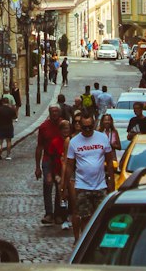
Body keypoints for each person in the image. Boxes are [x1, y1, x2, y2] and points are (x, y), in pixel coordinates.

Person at [65, 110, 116, 241]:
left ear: (94, 124)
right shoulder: (74, 142)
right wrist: (66, 185)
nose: (87, 130)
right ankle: (84, 240)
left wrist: (111, 180)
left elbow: (109, 160)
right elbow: (69, 165)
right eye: (84, 127)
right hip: (82, 186)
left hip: (100, 185)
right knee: (84, 216)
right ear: (79, 126)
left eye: (90, 127)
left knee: (102, 216)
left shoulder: (102, 138)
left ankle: (98, 240)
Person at [35, 103, 63, 225]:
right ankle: (49, 213)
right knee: (48, 183)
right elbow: (39, 147)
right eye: (52, 111)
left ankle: (58, 213)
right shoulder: (43, 127)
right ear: (49, 113)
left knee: (60, 186)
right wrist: (37, 167)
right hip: (47, 159)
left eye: (56, 111)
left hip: (61, 160)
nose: (55, 113)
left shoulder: (64, 125)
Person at [0, 93, 16, 158]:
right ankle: (8, 155)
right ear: (8, 102)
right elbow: (15, 117)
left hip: (1, 126)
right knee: (9, 141)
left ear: (2, 102)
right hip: (9, 126)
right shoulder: (11, 110)